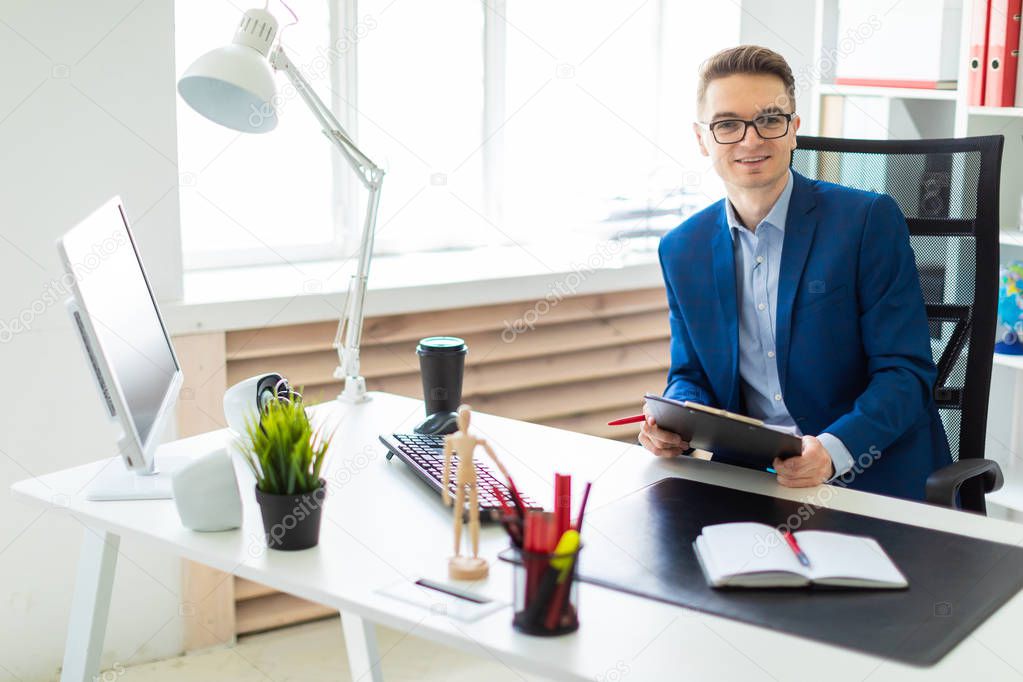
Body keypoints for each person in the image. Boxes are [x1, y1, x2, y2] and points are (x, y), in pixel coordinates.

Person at [639, 45, 950, 501]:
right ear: (702, 138)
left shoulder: (866, 221)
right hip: (749, 480)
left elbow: (904, 373)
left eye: (769, 119)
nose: (750, 140)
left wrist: (831, 451)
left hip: (870, 474)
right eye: (727, 124)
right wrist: (674, 422)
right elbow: (693, 375)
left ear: (793, 131)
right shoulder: (682, 248)